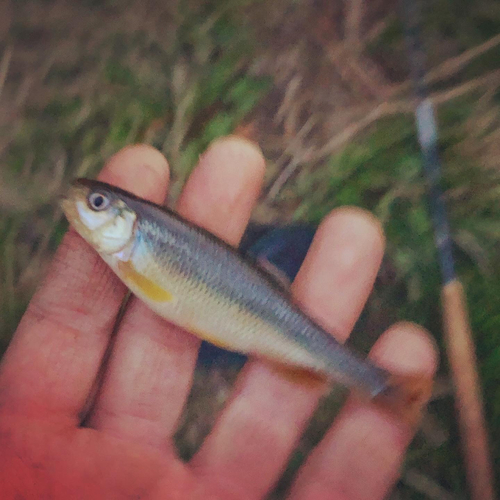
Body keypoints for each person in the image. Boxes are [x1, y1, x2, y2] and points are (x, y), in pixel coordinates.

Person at [0, 137, 437, 499]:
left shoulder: (135, 250)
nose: (83, 205)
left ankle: (381, 385)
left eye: (97, 203)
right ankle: (379, 385)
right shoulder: (129, 250)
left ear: (127, 223)